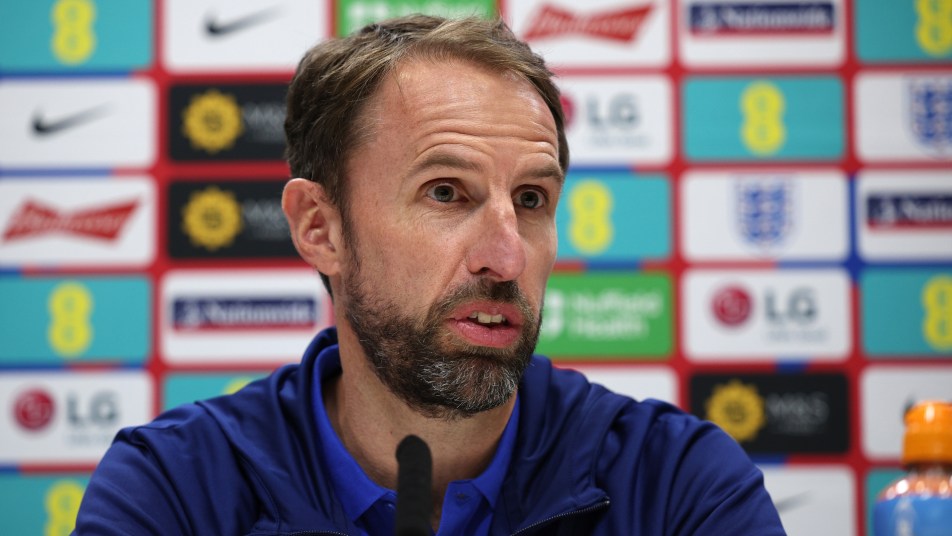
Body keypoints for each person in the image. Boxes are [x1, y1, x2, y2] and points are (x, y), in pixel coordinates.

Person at [74, 15, 786, 535]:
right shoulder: (174, 490)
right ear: (320, 228)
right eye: (446, 193)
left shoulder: (676, 485)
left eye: (531, 200)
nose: (506, 258)